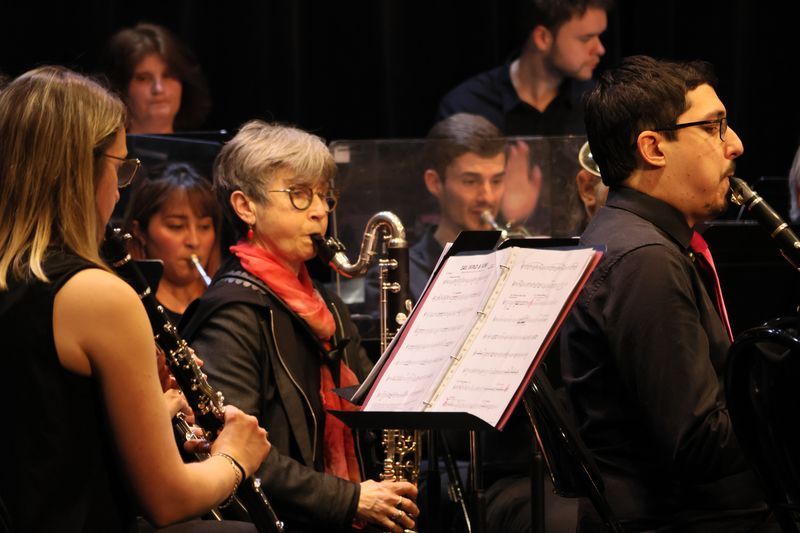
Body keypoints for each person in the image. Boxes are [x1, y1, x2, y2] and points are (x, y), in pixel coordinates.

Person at [0, 66, 269, 532]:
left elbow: (38, 431)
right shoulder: (95, 295)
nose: (119, 190)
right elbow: (168, 499)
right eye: (120, 167)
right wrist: (235, 457)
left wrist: (149, 416)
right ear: (81, 171)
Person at [560, 55, 778, 531]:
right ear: (654, 147)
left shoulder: (627, 237)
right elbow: (700, 444)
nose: (735, 144)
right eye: (715, 127)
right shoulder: (644, 259)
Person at [180, 120, 419, 533]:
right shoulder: (232, 313)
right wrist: (350, 499)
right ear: (246, 206)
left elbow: (369, 405)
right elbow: (235, 452)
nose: (320, 210)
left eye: (324, 196)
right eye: (299, 195)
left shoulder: (326, 304)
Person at [123, 162, 221, 323]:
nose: (194, 241)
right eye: (176, 226)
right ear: (140, 231)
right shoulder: (127, 303)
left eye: (204, 226)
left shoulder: (226, 298)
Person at [104, 22, 211, 134]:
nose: (158, 89)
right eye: (143, 78)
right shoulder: (100, 146)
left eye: (168, 76)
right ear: (119, 87)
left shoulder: (208, 145)